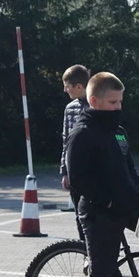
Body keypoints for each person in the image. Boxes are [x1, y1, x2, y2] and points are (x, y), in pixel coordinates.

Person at [65, 72, 139, 277]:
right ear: (95, 101)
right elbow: (77, 179)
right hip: (99, 212)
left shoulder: (118, 130)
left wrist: (138, 192)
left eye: (121, 101)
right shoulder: (82, 133)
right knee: (101, 271)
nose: (118, 107)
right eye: (112, 102)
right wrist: (108, 200)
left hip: (127, 206)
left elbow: (130, 166)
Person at [59, 65, 90, 196]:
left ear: (79, 86)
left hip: (93, 168)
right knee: (78, 211)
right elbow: (66, 140)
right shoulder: (69, 108)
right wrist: (64, 171)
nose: (65, 90)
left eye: (67, 86)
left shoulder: (98, 104)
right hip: (74, 168)